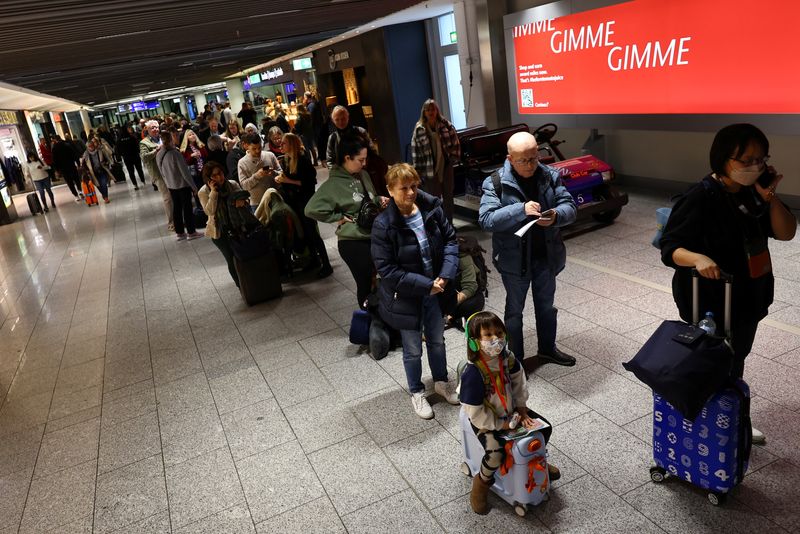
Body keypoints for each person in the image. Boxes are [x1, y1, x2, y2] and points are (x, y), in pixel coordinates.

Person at [659, 123, 796, 444]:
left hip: (749, 294)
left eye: (760, 160)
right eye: (746, 160)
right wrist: (696, 258)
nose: (754, 167)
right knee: (713, 361)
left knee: (737, 358)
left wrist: (770, 195)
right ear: (723, 159)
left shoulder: (754, 193)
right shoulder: (700, 196)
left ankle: (731, 417)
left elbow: (787, 231)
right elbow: (670, 248)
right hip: (709, 300)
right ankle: (706, 418)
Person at [479, 131, 578, 368]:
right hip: (514, 260)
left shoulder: (549, 175)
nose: (531, 165)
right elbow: (486, 219)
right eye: (523, 160)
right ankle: (516, 360)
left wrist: (555, 216)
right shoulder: (495, 182)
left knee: (546, 307)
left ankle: (547, 349)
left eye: (534, 158)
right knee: (514, 312)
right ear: (510, 158)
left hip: (546, 256)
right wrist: (520, 210)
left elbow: (570, 207)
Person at [371, 162, 460, 418]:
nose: (410, 193)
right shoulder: (383, 225)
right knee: (412, 349)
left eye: (413, 186)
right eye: (403, 188)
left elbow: (451, 241)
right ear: (390, 190)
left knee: (437, 340)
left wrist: (444, 276)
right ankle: (417, 391)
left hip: (436, 289)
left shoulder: (431, 209)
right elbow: (386, 270)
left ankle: (441, 382)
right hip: (407, 296)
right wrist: (425, 286)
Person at [459, 311, 561, 514]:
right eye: (487, 335)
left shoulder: (507, 358)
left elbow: (518, 382)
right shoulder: (473, 373)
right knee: (495, 454)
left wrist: (522, 409)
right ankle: (481, 485)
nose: (495, 339)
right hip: (486, 420)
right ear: (474, 342)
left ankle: (535, 461)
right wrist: (500, 425)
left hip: (512, 412)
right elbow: (475, 412)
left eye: (499, 333)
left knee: (545, 428)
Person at [306, 135, 384, 306]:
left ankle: (383, 323)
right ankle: (369, 326)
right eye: (360, 159)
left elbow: (371, 198)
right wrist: (338, 218)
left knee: (379, 284)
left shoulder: (363, 174)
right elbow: (311, 209)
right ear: (347, 158)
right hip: (353, 243)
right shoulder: (333, 184)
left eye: (365, 159)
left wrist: (379, 200)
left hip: (374, 236)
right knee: (365, 285)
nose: (364, 163)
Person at [276, 133, 332, 278]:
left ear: (292, 144)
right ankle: (314, 259)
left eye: (284, 143)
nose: (280, 145)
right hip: (295, 202)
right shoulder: (287, 160)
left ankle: (326, 264)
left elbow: (309, 182)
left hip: (305, 201)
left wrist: (287, 181)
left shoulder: (302, 160)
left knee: (312, 233)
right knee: (306, 233)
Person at [411, 99, 461, 221]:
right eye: (428, 110)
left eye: (433, 109)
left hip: (446, 166)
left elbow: (455, 141)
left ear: (437, 110)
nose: (431, 112)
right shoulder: (420, 129)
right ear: (424, 112)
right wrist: (418, 171)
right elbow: (415, 151)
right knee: (434, 198)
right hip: (429, 169)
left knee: (448, 196)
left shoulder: (445, 124)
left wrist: (453, 157)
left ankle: (449, 223)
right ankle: (438, 224)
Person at [199, 161, 241, 286]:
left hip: (237, 225)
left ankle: (249, 281)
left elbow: (245, 198)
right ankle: (241, 286)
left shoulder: (232, 185)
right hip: (220, 231)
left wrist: (242, 201)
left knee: (242, 255)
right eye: (215, 175)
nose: (219, 177)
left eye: (220, 173)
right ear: (209, 178)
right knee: (231, 258)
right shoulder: (204, 192)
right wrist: (213, 192)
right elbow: (209, 211)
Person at [156, 131, 201, 241]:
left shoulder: (159, 154)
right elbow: (185, 172)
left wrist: (168, 183)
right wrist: (194, 187)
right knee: (187, 208)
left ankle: (180, 232)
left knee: (176, 208)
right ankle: (191, 231)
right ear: (171, 139)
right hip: (182, 185)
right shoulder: (175, 154)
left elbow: (161, 172)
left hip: (171, 185)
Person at [140, 120, 174, 230]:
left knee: (175, 195)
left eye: (156, 127)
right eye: (152, 128)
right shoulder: (144, 143)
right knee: (167, 197)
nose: (155, 129)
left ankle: (179, 218)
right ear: (147, 130)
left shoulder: (164, 138)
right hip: (158, 174)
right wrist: (156, 150)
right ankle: (171, 223)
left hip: (171, 171)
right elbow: (144, 157)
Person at [238, 132, 281, 212]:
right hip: (257, 203)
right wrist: (257, 176)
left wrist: (274, 173)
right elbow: (244, 186)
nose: (258, 151)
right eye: (254, 149)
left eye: (259, 147)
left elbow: (281, 173)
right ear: (247, 146)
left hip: (275, 198)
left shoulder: (270, 155)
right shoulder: (242, 162)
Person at [51, 136, 83, 201]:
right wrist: (78, 163)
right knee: (76, 179)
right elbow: (74, 155)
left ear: (55, 140)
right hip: (71, 165)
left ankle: (76, 195)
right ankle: (80, 191)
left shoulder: (54, 148)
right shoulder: (67, 145)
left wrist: (57, 170)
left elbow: (54, 160)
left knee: (69, 182)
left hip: (63, 168)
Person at [83, 137, 113, 203]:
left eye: (92, 145)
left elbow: (106, 158)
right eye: (89, 146)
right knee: (98, 185)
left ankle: (105, 197)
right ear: (87, 147)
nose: (91, 147)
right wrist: (87, 171)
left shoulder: (100, 151)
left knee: (103, 184)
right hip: (92, 173)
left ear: (94, 145)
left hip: (101, 170)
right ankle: (104, 194)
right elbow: (84, 164)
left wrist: (107, 163)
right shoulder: (86, 155)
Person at [116, 124, 145, 189]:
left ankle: (135, 185)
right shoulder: (132, 137)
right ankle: (143, 181)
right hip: (135, 156)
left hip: (127, 158)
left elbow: (118, 150)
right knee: (139, 169)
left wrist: (120, 157)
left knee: (130, 171)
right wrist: (139, 152)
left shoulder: (119, 140)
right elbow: (137, 146)